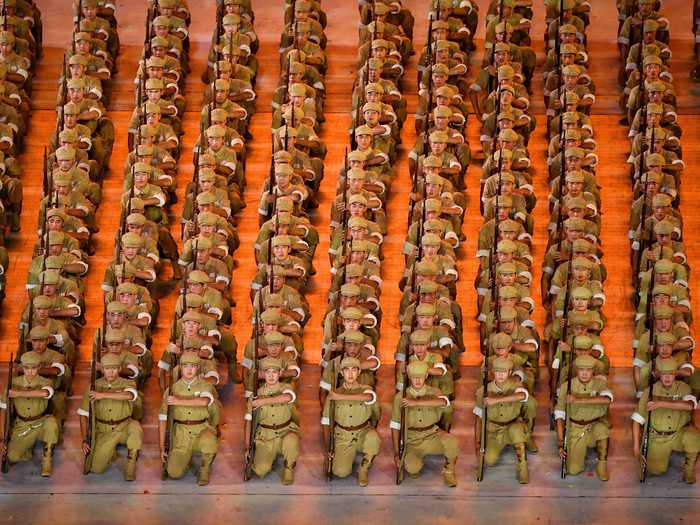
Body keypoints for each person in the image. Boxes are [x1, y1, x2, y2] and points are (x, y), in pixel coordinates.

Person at [390, 360, 458, 486]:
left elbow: (443, 402)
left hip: (432, 435)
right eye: (414, 377)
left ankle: (449, 471)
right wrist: (396, 453)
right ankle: (414, 460)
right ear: (409, 377)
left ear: (426, 376)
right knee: (412, 470)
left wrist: (415, 402)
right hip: (412, 440)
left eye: (421, 377)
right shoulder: (400, 397)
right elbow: (395, 426)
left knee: (452, 441)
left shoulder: (435, 392)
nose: (418, 381)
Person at [632, 357, 700, 483]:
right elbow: (637, 419)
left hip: (677, 434)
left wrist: (661, 403)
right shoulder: (649, 391)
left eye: (671, 374)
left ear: (675, 374)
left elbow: (689, 406)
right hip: (656, 436)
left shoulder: (684, 388)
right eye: (664, 374)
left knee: (694, 438)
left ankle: (688, 469)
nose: (667, 378)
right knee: (655, 471)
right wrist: (636, 447)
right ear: (658, 374)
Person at [78, 352, 143, 480]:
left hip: (124, 426)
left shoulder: (128, 383)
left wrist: (102, 395)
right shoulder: (93, 386)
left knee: (136, 428)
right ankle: (110, 451)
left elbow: (129, 395)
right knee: (96, 469)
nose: (111, 372)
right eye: (107, 369)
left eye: (114, 368)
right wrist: (85, 438)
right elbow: (83, 414)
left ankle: (131, 464)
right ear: (102, 369)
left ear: (119, 369)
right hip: (104, 430)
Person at [159, 353, 218, 485]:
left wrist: (177, 400)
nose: (189, 370)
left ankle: (205, 468)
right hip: (181, 433)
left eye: (193, 366)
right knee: (174, 473)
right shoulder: (172, 390)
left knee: (209, 441)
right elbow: (163, 419)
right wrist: (162, 447)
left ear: (198, 368)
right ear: (180, 368)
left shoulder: (205, 386)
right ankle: (185, 459)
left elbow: (204, 401)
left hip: (201, 429)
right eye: (186, 366)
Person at [321, 356, 380, 485]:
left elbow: (372, 404)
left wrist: (338, 397)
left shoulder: (366, 389)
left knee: (373, 437)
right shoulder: (334, 394)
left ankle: (364, 467)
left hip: (362, 432)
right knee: (340, 472)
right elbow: (326, 422)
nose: (350, 373)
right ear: (341, 373)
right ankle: (345, 457)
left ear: (359, 372)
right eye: (346, 370)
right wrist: (327, 448)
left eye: (354, 370)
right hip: (343, 435)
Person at [0, 351, 60, 477]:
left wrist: (16, 393)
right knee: (12, 456)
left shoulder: (46, 382)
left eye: (33, 368)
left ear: (39, 367)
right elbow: (3, 410)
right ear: (22, 367)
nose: (30, 372)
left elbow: (45, 393)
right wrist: (2, 438)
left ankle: (47, 459)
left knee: (52, 423)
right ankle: (27, 449)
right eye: (26, 368)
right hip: (22, 424)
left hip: (41, 421)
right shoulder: (12, 382)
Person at [555, 354, 612, 480]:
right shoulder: (566, 386)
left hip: (594, 425)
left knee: (603, 430)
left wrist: (578, 400)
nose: (585, 373)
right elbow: (559, 415)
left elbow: (606, 400)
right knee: (573, 470)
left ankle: (602, 463)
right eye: (581, 370)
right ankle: (578, 451)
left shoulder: (600, 384)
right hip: (575, 427)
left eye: (588, 370)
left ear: (593, 370)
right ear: (576, 370)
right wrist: (560, 442)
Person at [473, 357, 530, 483]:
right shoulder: (483, 390)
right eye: (498, 371)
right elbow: (478, 418)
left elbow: (523, 395)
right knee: (489, 460)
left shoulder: (516, 385)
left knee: (517, 431)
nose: (500, 375)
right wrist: (477, 444)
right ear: (493, 372)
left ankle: (522, 465)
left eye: (504, 372)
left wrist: (496, 400)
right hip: (494, 431)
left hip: (513, 425)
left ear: (510, 373)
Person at [244, 356, 300, 485]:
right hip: (265, 436)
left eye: (274, 372)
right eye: (267, 372)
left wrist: (262, 401)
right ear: (262, 375)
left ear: (280, 373)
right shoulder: (255, 394)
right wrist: (247, 447)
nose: (271, 376)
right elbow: (248, 422)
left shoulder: (286, 387)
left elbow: (287, 397)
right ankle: (267, 456)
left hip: (285, 431)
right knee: (260, 471)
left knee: (291, 440)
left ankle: (289, 467)